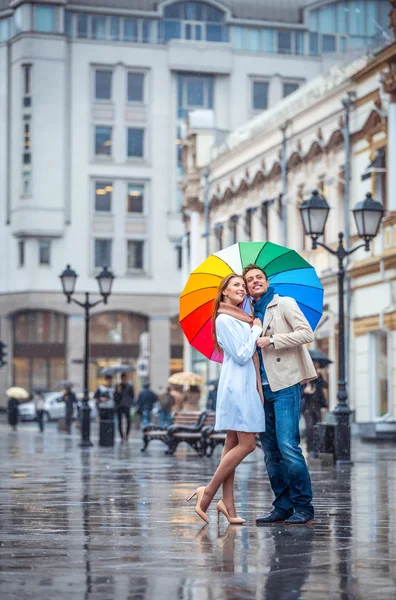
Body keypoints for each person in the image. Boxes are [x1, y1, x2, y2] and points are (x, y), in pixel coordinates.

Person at [186, 274, 265, 525]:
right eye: (237, 285)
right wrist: (256, 329)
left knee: (232, 443)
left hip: (245, 385)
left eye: (243, 286)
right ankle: (208, 492)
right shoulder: (224, 320)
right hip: (237, 387)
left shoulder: (242, 318)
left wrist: (252, 325)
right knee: (248, 444)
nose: (242, 288)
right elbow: (242, 354)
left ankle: (227, 505)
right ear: (224, 293)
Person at [243, 264, 317, 526]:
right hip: (261, 390)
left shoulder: (283, 303)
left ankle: (303, 507)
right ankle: (282, 506)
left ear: (266, 281)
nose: (254, 282)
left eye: (258, 278)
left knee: (288, 446)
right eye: (249, 280)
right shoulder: (249, 313)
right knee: (271, 452)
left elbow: (306, 333)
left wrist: (272, 340)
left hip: (285, 384)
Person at [301, 361, 328, 454]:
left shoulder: (318, 378)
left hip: (317, 405)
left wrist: (321, 375)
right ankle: (310, 448)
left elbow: (325, 385)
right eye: (314, 367)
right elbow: (299, 392)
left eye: (317, 368)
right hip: (307, 406)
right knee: (310, 427)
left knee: (318, 426)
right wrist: (305, 391)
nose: (316, 369)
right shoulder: (305, 378)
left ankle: (317, 447)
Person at [114, 373, 135, 442]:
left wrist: (130, 403)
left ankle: (127, 435)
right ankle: (121, 437)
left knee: (129, 421)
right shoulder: (118, 386)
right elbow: (115, 397)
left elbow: (132, 396)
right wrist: (118, 392)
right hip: (119, 406)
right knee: (119, 422)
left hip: (126, 406)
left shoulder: (130, 386)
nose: (124, 379)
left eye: (125, 378)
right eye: (123, 378)